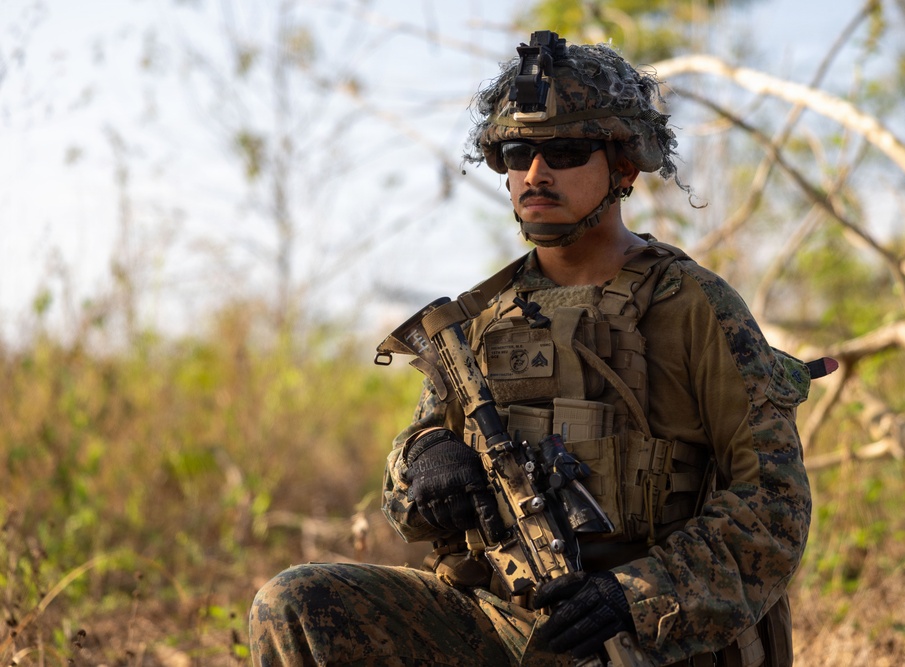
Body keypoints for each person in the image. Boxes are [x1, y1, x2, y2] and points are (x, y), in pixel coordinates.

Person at [249, 30, 820, 667]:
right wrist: (424, 465)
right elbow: (406, 498)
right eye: (518, 152)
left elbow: (774, 505)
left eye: (568, 151)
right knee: (295, 602)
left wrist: (633, 594)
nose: (536, 173)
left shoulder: (695, 307)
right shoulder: (474, 324)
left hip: (653, 635)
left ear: (625, 166)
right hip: (504, 618)